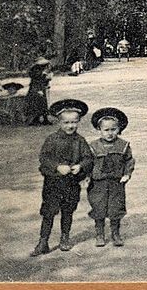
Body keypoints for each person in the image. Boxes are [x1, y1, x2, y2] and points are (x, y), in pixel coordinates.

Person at [31, 98, 93, 256]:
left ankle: (65, 237)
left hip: (72, 183)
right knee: (49, 212)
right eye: (66, 122)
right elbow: (44, 158)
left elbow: (88, 158)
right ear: (59, 122)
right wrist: (57, 167)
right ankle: (43, 241)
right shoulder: (52, 139)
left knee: (68, 211)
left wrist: (80, 166)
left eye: (74, 122)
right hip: (53, 183)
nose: (70, 126)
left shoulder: (80, 141)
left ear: (78, 122)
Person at [86, 107, 135, 247]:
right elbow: (88, 163)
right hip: (98, 184)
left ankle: (115, 233)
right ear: (99, 130)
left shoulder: (123, 145)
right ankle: (99, 234)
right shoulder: (93, 146)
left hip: (116, 182)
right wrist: (87, 177)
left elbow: (129, 160)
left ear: (119, 129)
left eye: (113, 129)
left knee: (116, 208)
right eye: (106, 130)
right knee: (98, 208)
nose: (110, 133)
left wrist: (127, 174)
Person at [23, 58, 52, 125]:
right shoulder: (35, 69)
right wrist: (44, 75)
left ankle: (44, 119)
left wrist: (47, 79)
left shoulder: (43, 69)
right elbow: (36, 78)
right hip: (36, 88)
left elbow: (44, 79)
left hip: (41, 87)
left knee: (43, 103)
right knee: (37, 103)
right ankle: (36, 119)